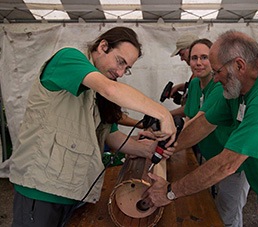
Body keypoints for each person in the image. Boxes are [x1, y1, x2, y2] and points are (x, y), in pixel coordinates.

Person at [145, 30, 258, 227]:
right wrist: (163, 151)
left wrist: (170, 192)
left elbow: (226, 164)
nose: (216, 80)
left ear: (239, 65)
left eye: (217, 72)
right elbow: (203, 124)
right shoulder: (236, 91)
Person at [9, 26, 176, 227]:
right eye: (120, 61)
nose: (121, 72)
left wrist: (149, 149)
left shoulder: (94, 91)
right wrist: (163, 113)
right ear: (103, 46)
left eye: (127, 68)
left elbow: (109, 135)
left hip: (71, 190)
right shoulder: (68, 58)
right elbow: (111, 89)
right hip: (41, 189)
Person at [183, 38, 249, 227]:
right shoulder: (195, 85)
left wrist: (169, 143)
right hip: (211, 157)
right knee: (216, 208)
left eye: (204, 57)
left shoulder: (221, 86)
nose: (198, 62)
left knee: (228, 215)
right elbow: (189, 117)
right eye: (194, 58)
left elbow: (200, 122)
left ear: (213, 60)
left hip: (231, 160)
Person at [169, 33, 198, 117]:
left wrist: (166, 115)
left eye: (182, 54)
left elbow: (191, 108)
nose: (181, 59)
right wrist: (180, 87)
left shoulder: (201, 75)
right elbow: (192, 87)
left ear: (191, 49)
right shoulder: (195, 74)